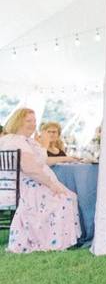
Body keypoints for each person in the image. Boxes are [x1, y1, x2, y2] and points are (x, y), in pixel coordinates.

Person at [0, 108, 81, 253]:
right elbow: (31, 169)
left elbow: (40, 162)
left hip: (22, 184)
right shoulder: (19, 142)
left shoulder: (15, 140)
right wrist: (51, 184)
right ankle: (53, 241)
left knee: (68, 195)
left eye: (34, 121)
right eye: (28, 121)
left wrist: (65, 158)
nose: (33, 124)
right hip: (30, 185)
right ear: (18, 121)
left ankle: (58, 239)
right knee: (66, 198)